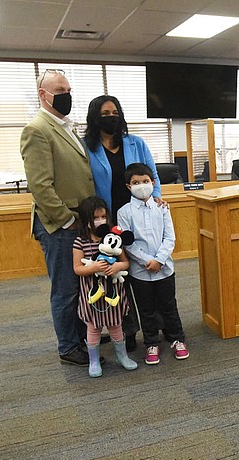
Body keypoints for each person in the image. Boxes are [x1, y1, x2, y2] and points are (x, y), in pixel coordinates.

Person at [21, 69, 96, 366]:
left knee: (79, 285)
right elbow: (40, 186)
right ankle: (68, 347)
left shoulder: (65, 127)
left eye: (68, 89)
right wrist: (66, 219)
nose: (67, 94)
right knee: (65, 288)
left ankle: (81, 336)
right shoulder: (37, 129)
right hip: (59, 225)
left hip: (79, 221)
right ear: (43, 94)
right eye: (60, 89)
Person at [84, 94, 162, 351]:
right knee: (119, 275)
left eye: (114, 112)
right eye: (105, 113)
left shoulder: (136, 143)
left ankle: (157, 325)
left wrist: (157, 199)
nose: (111, 117)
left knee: (146, 270)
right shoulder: (87, 147)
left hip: (139, 217)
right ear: (95, 117)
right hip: (108, 222)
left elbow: (153, 175)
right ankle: (127, 331)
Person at [117, 163, 189, 365]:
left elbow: (170, 238)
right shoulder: (125, 212)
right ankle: (151, 342)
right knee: (146, 309)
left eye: (145, 182)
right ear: (128, 186)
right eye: (136, 183)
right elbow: (127, 242)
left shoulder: (162, 207)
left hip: (165, 268)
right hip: (140, 271)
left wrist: (159, 259)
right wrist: (146, 260)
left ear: (153, 183)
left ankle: (177, 339)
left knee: (169, 306)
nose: (141, 185)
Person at [72, 197, 138, 377]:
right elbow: (77, 268)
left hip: (112, 293)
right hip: (92, 294)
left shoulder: (113, 239)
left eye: (103, 217)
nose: (100, 221)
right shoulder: (80, 242)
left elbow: (125, 262)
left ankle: (122, 356)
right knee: (93, 328)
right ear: (86, 220)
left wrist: (117, 266)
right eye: (95, 217)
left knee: (116, 326)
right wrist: (92, 267)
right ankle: (94, 360)